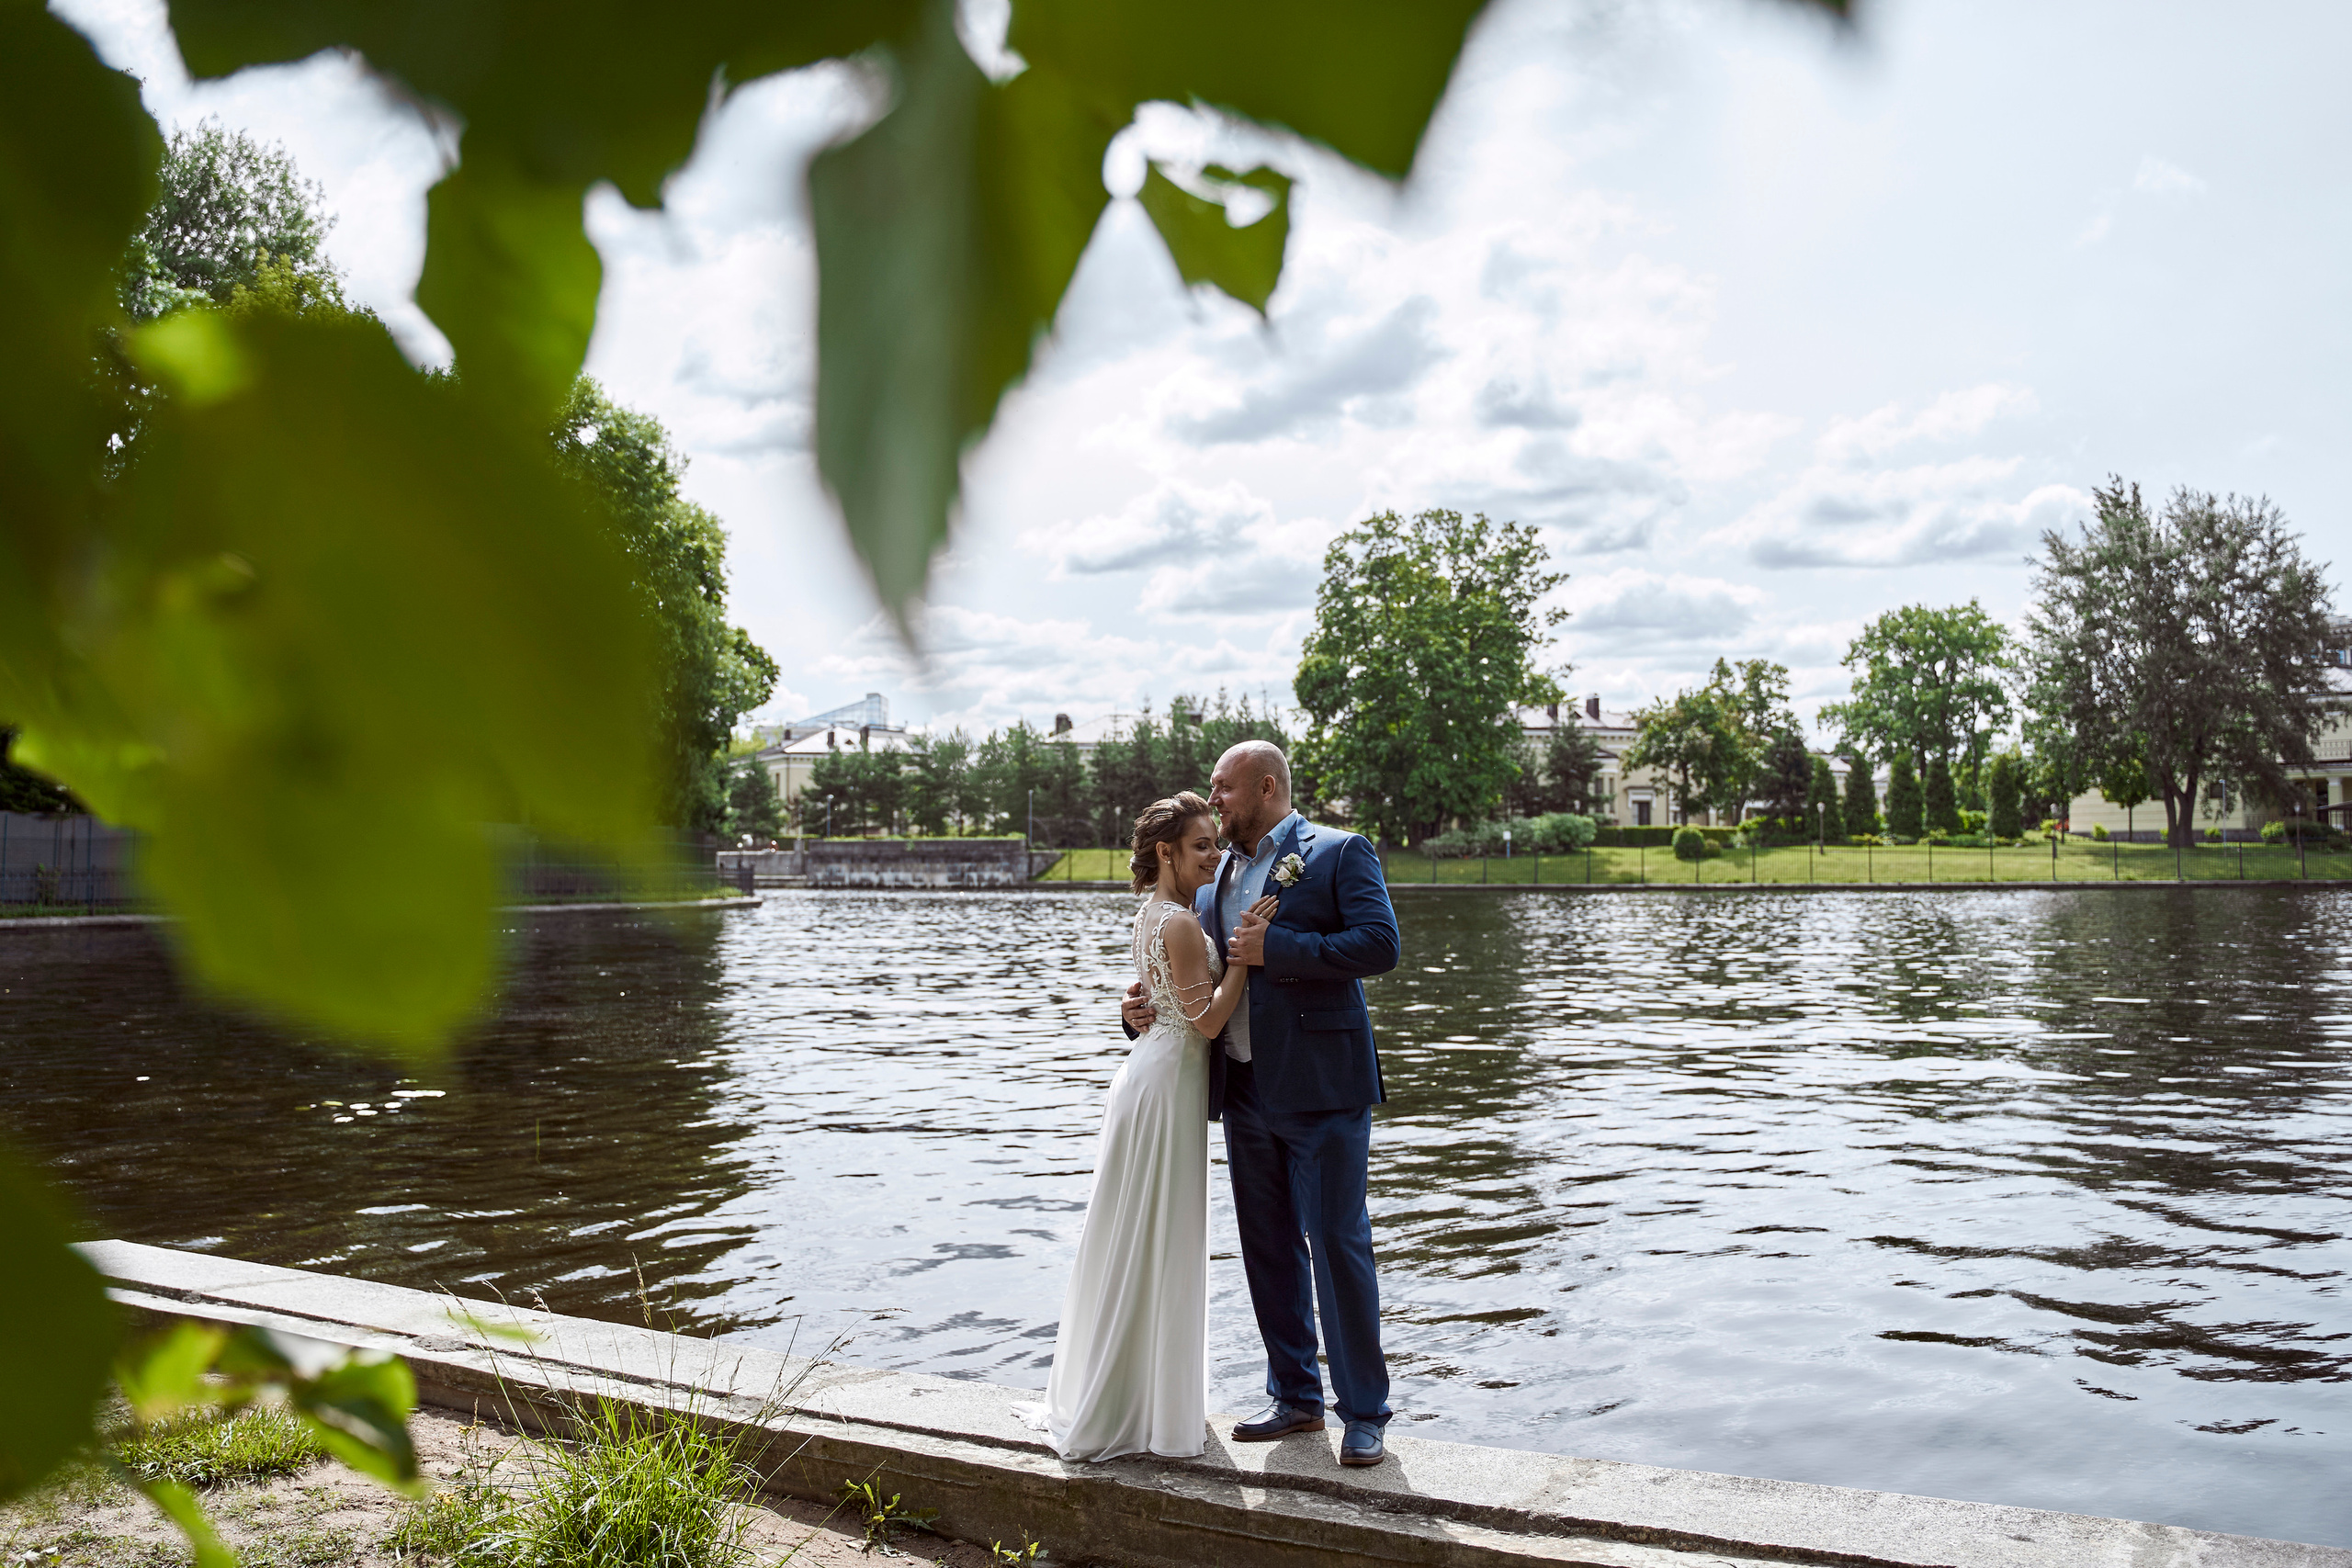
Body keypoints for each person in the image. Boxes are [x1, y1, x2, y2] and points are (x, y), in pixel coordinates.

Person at [1122, 741, 1402, 1468]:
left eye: (1223, 789)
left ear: (1265, 785)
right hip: (1242, 1091)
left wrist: (1282, 947)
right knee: (1267, 1248)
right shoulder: (1214, 878)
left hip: (1324, 1089)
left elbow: (1380, 944)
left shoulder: (1339, 852)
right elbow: (1196, 975)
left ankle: (1364, 1412)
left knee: (1339, 1246)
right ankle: (1296, 1396)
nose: (1214, 802)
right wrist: (1139, 1011)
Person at [1019, 792, 1276, 1461]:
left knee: (1141, 1231)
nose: (1213, 856)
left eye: (1214, 845)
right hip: (1165, 1086)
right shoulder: (1183, 924)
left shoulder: (1154, 914)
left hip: (1156, 1075)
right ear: (1165, 851)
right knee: (1157, 1233)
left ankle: (1137, 1393)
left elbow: (1165, 1001)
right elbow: (1209, 1021)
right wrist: (1247, 954)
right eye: (1200, 846)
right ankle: (1148, 1408)